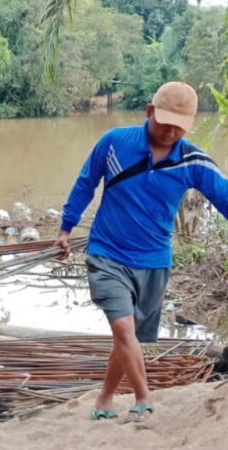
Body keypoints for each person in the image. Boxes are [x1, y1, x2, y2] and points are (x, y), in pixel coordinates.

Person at [55, 81, 228, 422]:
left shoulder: (192, 160)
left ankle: (105, 397)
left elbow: (224, 196)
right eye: (165, 123)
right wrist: (65, 228)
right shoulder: (114, 142)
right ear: (149, 112)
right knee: (123, 330)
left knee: (128, 338)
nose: (171, 132)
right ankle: (143, 397)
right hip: (107, 253)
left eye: (180, 127)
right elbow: (86, 183)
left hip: (153, 262)